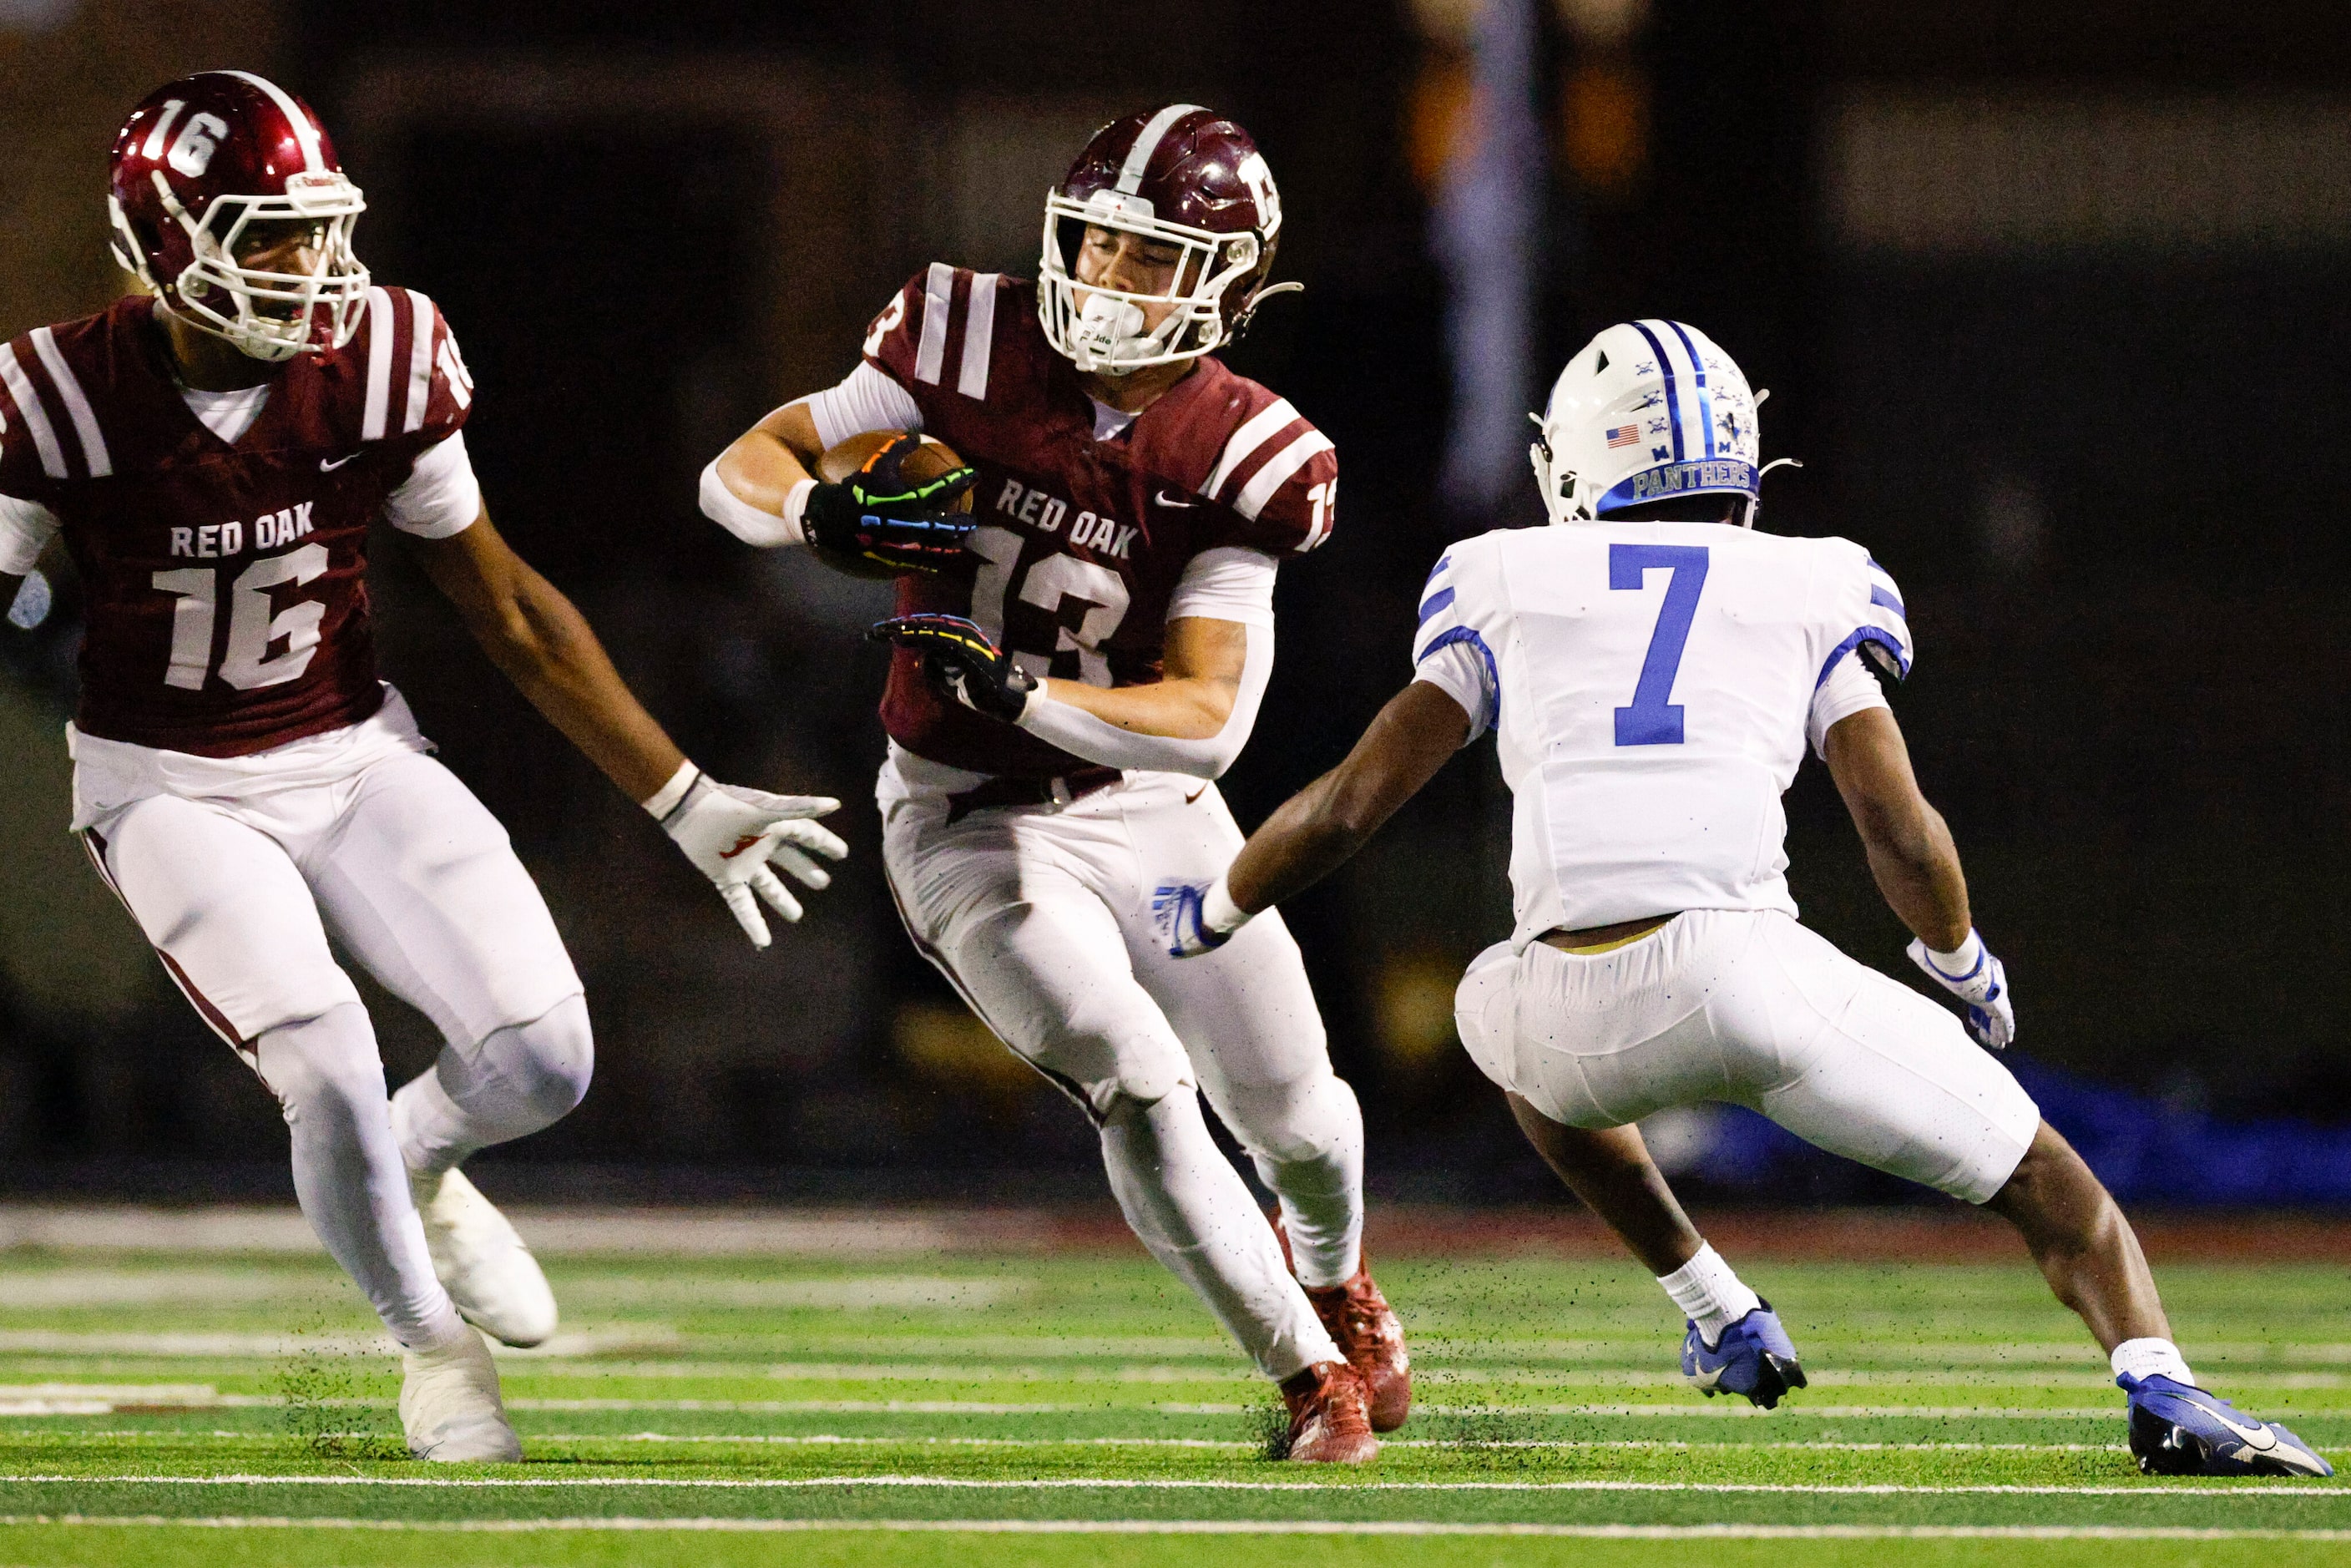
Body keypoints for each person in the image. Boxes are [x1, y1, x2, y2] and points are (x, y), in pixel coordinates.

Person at [1155, 320, 2333, 1479]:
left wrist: (1215, 906)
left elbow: (1350, 805)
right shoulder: (1815, 577)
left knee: (1494, 1008)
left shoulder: (1497, 573)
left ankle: (1713, 1302)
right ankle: (2161, 1383)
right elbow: (1897, 824)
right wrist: (1960, 952)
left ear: (1573, 463)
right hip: (1751, 975)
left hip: (1564, 1003)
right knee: (2053, 1186)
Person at [0, 72, 847, 1462]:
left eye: (318, 229)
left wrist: (682, 798)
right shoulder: (55, 395)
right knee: (323, 1059)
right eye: (265, 235)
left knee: (546, 1056)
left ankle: (421, 1154)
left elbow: (503, 605)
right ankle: (429, 1348)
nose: (311, 267)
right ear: (161, 241)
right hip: (166, 780)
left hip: (348, 748)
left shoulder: (383, 356)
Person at [700, 106, 1403, 1463]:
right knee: (1136, 1076)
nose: (1106, 278)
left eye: (1148, 258)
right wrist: (819, 512)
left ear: (1230, 287)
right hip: (970, 822)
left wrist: (1026, 694)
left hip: (1152, 807)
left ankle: (1337, 1278)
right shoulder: (960, 337)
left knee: (1301, 1112)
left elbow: (1206, 720)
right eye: (1093, 242)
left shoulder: (1242, 451)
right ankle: (1312, 1377)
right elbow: (740, 468)